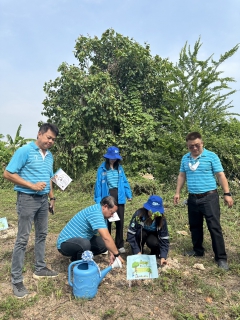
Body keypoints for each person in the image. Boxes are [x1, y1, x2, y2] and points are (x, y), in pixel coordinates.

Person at [3, 123, 59, 298]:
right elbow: (8, 173)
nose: (50, 141)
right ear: (39, 134)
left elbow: (49, 178)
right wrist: (31, 185)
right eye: (48, 137)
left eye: (53, 140)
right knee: (22, 238)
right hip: (27, 199)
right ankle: (17, 279)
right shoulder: (24, 151)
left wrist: (52, 198)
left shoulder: (49, 156)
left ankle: (40, 268)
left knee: (42, 234)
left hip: (43, 201)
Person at [173, 132, 233, 271]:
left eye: (197, 145)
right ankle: (198, 250)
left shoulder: (211, 156)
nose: (194, 148)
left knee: (214, 227)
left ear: (202, 144)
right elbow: (182, 175)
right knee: (195, 226)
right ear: (187, 146)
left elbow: (220, 175)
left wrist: (227, 193)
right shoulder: (185, 158)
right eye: (190, 146)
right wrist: (177, 192)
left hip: (209, 197)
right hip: (192, 198)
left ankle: (221, 258)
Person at [57, 196, 125, 266]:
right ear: (105, 206)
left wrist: (112, 253)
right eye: (112, 212)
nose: (112, 215)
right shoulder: (95, 213)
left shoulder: (101, 214)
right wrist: (117, 254)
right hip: (65, 244)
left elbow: (106, 236)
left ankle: (75, 259)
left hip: (81, 240)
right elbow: (106, 238)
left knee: (102, 244)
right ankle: (80, 266)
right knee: (85, 244)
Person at [94, 146, 132, 253]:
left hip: (119, 196)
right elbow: (98, 185)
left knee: (119, 221)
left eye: (115, 158)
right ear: (107, 157)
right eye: (111, 157)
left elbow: (124, 182)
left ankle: (119, 244)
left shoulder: (120, 169)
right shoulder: (102, 169)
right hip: (107, 195)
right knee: (107, 221)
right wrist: (98, 200)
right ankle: (106, 245)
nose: (113, 159)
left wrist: (128, 194)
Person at [127, 195, 169, 266]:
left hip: (153, 235)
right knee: (141, 234)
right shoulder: (139, 215)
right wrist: (136, 251)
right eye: (151, 211)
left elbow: (164, 238)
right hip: (141, 233)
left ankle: (155, 252)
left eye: (156, 212)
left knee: (153, 242)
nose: (153, 214)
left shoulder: (162, 220)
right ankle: (139, 250)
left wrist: (163, 256)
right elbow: (131, 233)